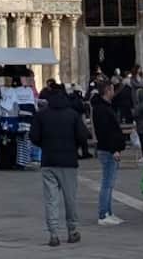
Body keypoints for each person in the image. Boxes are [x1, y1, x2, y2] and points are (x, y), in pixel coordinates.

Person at [29, 82, 88, 247]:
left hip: (49, 160)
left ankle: (53, 233)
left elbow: (34, 136)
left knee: (51, 199)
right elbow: (83, 136)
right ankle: (72, 230)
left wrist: (44, 145)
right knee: (70, 198)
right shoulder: (72, 114)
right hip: (69, 161)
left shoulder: (42, 115)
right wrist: (74, 146)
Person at [90, 81, 125, 226]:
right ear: (106, 91)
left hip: (108, 148)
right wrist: (114, 149)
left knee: (110, 183)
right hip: (107, 149)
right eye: (111, 90)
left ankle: (108, 212)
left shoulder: (103, 107)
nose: (113, 92)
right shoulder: (102, 109)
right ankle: (103, 214)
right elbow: (106, 132)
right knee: (107, 182)